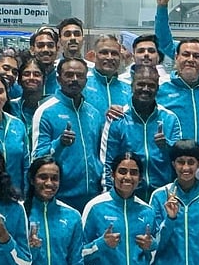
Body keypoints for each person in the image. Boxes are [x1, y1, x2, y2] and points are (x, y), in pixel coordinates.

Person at [32, 57, 105, 213]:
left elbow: (100, 154)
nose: (74, 79)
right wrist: (60, 144)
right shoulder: (45, 112)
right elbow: (37, 158)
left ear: (86, 80)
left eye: (79, 75)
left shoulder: (94, 113)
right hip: (60, 197)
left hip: (93, 196)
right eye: (69, 75)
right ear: (59, 79)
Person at [99, 64, 181, 200]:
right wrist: (109, 198)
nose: (146, 89)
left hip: (163, 196)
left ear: (158, 88)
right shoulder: (117, 119)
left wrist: (167, 147)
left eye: (151, 85)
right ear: (132, 86)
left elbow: (179, 160)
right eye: (141, 84)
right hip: (127, 195)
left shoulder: (170, 119)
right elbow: (107, 163)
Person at [157, 39, 199, 163]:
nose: (191, 59)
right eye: (186, 54)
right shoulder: (161, 88)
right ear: (176, 57)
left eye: (196, 56)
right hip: (170, 166)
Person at [83, 34, 131, 118]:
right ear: (94, 56)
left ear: (120, 57)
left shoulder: (129, 88)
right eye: (104, 52)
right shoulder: (82, 83)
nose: (109, 57)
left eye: (114, 53)